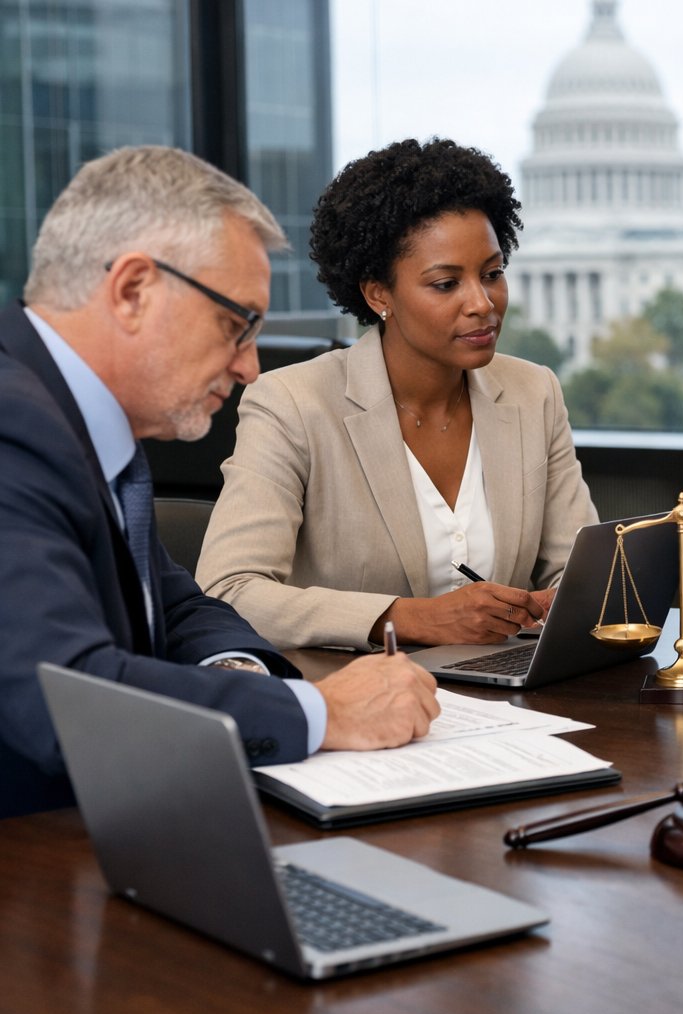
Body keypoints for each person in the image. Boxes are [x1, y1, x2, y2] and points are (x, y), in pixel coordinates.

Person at [0, 146, 440, 818]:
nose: (250, 369)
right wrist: (319, 712)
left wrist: (234, 672)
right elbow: (65, 696)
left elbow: (174, 607)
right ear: (133, 290)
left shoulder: (76, 416)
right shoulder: (15, 427)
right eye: (237, 324)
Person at [197, 138, 598, 651]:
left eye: (493, 275)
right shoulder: (291, 404)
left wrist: (564, 602)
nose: (482, 303)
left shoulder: (532, 391)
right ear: (378, 294)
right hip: (354, 699)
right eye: (446, 284)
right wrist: (411, 619)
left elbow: (580, 573)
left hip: (507, 695)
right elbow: (229, 591)